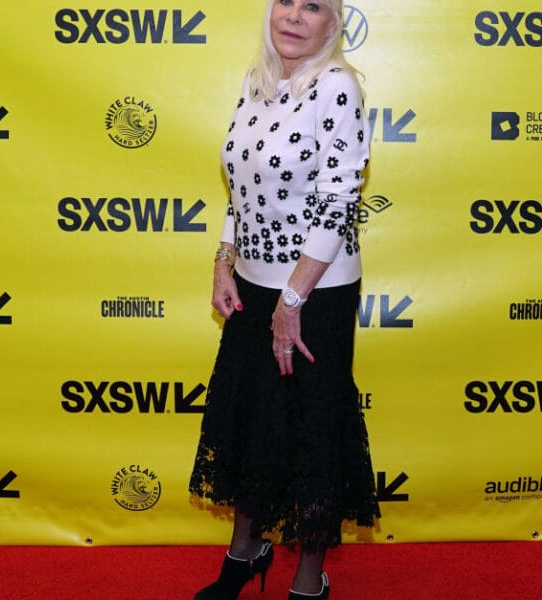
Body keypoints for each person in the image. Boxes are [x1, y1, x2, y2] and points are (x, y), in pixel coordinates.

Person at [189, 1, 380, 598]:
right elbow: (240, 186)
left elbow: (338, 195)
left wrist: (293, 298)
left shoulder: (338, 87)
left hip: (315, 292)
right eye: (285, 2)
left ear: (333, 24)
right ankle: (245, 553)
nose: (294, 16)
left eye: (313, 6)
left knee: (310, 432)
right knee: (249, 422)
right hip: (252, 284)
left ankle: (307, 576)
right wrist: (225, 259)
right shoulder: (259, 82)